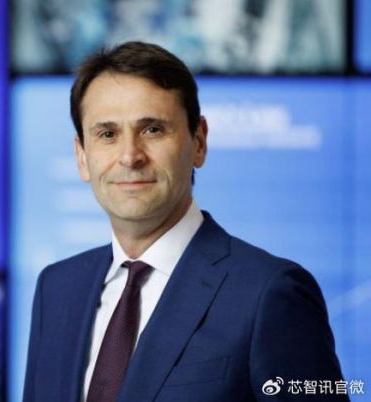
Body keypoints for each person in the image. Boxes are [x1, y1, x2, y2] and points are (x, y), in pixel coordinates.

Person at [23, 41, 347, 402]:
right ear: (82, 156)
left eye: (153, 130)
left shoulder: (270, 293)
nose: (130, 156)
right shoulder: (57, 288)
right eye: (108, 134)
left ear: (199, 142)